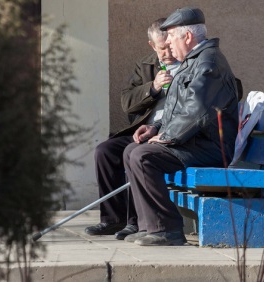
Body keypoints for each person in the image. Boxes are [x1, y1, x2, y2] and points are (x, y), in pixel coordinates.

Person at [122, 7, 240, 246]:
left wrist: (167, 137)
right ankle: (149, 226)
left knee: (144, 157)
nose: (168, 44)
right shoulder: (193, 61)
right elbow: (177, 107)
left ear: (187, 37)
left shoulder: (208, 64)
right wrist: (155, 128)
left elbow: (196, 111)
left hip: (211, 147)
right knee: (130, 151)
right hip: (195, 142)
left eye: (171, 37)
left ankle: (168, 229)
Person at [84, 18, 180, 240]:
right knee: (105, 151)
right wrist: (153, 88)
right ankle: (112, 219)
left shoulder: (189, 62)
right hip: (144, 130)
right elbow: (127, 102)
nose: (168, 53)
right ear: (152, 46)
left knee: (136, 154)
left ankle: (134, 222)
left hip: (171, 134)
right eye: (161, 48)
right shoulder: (146, 66)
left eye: (169, 46)